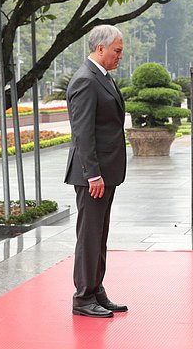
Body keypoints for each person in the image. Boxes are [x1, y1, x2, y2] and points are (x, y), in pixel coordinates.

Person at [64, 25, 127, 318]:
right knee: (89, 235)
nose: (120, 56)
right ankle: (83, 297)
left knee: (99, 233)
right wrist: (93, 175)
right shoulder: (86, 81)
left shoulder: (102, 78)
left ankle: (96, 289)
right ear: (100, 48)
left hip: (105, 172)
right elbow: (82, 133)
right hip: (94, 176)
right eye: (117, 51)